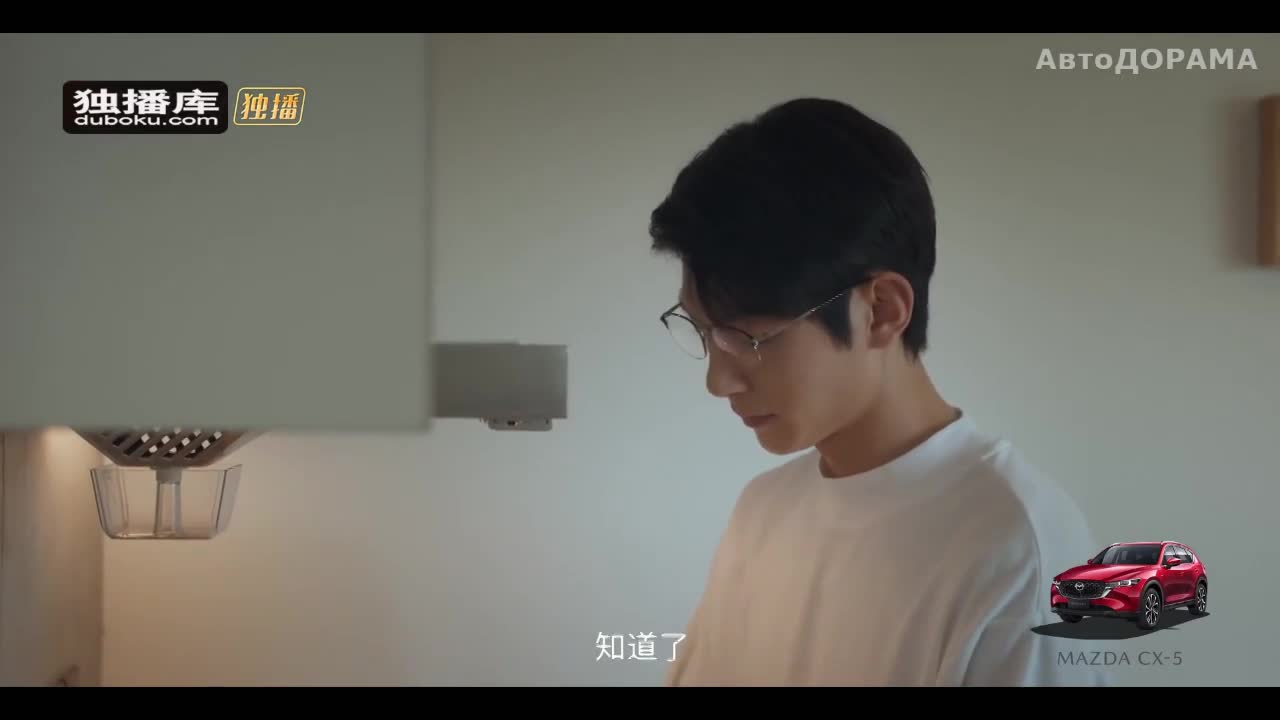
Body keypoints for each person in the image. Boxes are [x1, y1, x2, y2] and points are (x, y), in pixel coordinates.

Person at [649, 98, 1110, 686]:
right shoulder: (762, 511)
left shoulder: (1018, 547)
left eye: (747, 338)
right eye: (704, 332)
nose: (718, 381)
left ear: (882, 311)